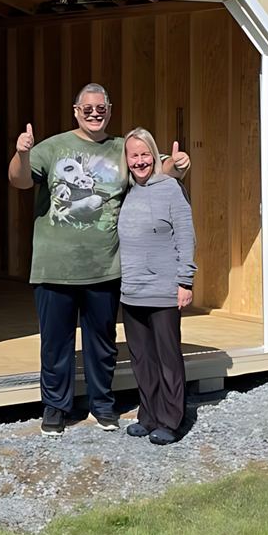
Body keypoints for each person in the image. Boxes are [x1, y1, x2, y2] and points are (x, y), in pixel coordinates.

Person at [9, 84, 190, 435]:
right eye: (87, 108)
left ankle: (102, 405)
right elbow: (19, 181)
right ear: (76, 110)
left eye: (101, 107)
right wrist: (21, 153)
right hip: (55, 267)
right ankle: (55, 408)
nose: (95, 113)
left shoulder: (120, 148)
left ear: (109, 108)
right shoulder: (53, 147)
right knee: (55, 343)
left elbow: (149, 168)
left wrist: (177, 165)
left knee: (102, 344)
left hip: (106, 267)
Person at [117, 128, 195, 444]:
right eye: (133, 155)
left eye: (144, 154)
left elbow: (186, 235)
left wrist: (185, 281)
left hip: (163, 289)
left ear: (154, 155)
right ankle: (148, 416)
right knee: (142, 359)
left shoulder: (171, 189)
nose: (139, 161)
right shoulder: (124, 191)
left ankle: (171, 420)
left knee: (167, 358)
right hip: (131, 289)